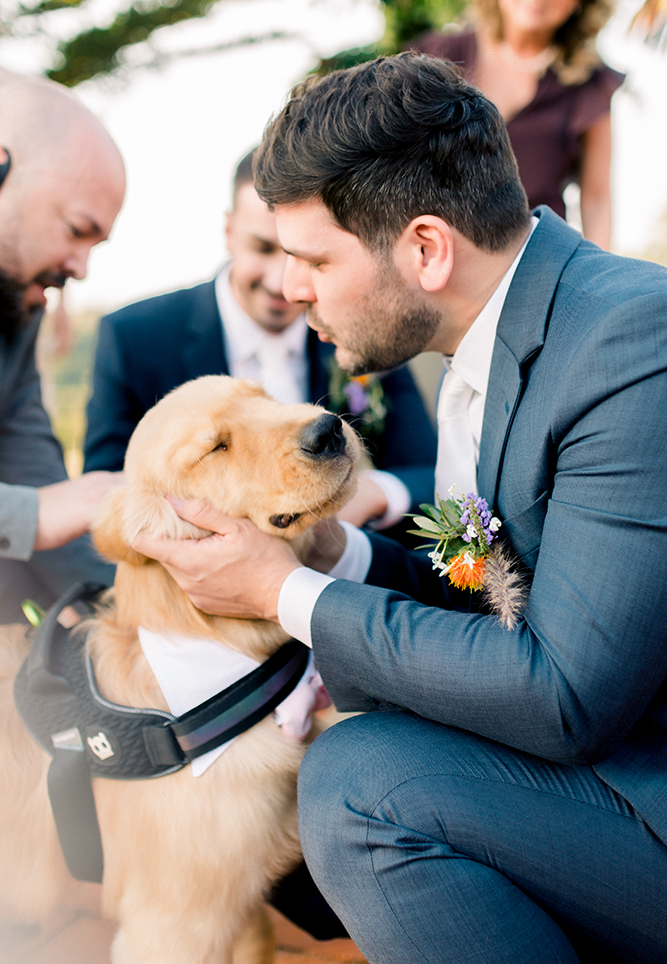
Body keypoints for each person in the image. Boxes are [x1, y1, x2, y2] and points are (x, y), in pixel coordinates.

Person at [132, 53, 667, 963]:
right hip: (610, 769)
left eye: (312, 259)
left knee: (361, 778)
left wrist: (281, 598)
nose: (289, 289)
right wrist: (332, 558)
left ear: (423, 248)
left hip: (642, 785)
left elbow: (565, 695)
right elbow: (486, 585)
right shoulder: (485, 353)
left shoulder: (628, 344)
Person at [83, 149, 437, 536]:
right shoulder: (135, 338)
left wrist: (375, 492)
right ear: (229, 232)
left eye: (299, 255)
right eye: (262, 249)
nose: (281, 283)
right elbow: (107, 507)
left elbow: (431, 473)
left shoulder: (366, 327)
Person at [0, 68, 126, 623]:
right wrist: (31, 515)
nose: (79, 267)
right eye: (77, 230)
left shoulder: (16, 303)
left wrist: (148, 608)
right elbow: (42, 508)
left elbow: (28, 461)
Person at [415, 0, 626, 249]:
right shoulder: (435, 56)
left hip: (530, 264)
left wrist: (601, 280)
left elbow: (596, 199)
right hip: (433, 254)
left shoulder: (591, 85)